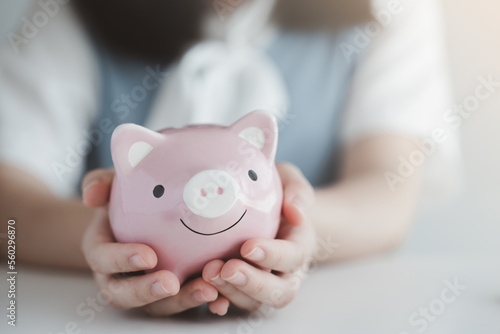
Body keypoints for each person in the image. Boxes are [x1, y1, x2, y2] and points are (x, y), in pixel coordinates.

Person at [0, 0, 459, 317]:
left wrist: (293, 226)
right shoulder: (71, 14)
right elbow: (9, 206)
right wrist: (110, 238)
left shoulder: (387, 9)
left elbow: (388, 192)